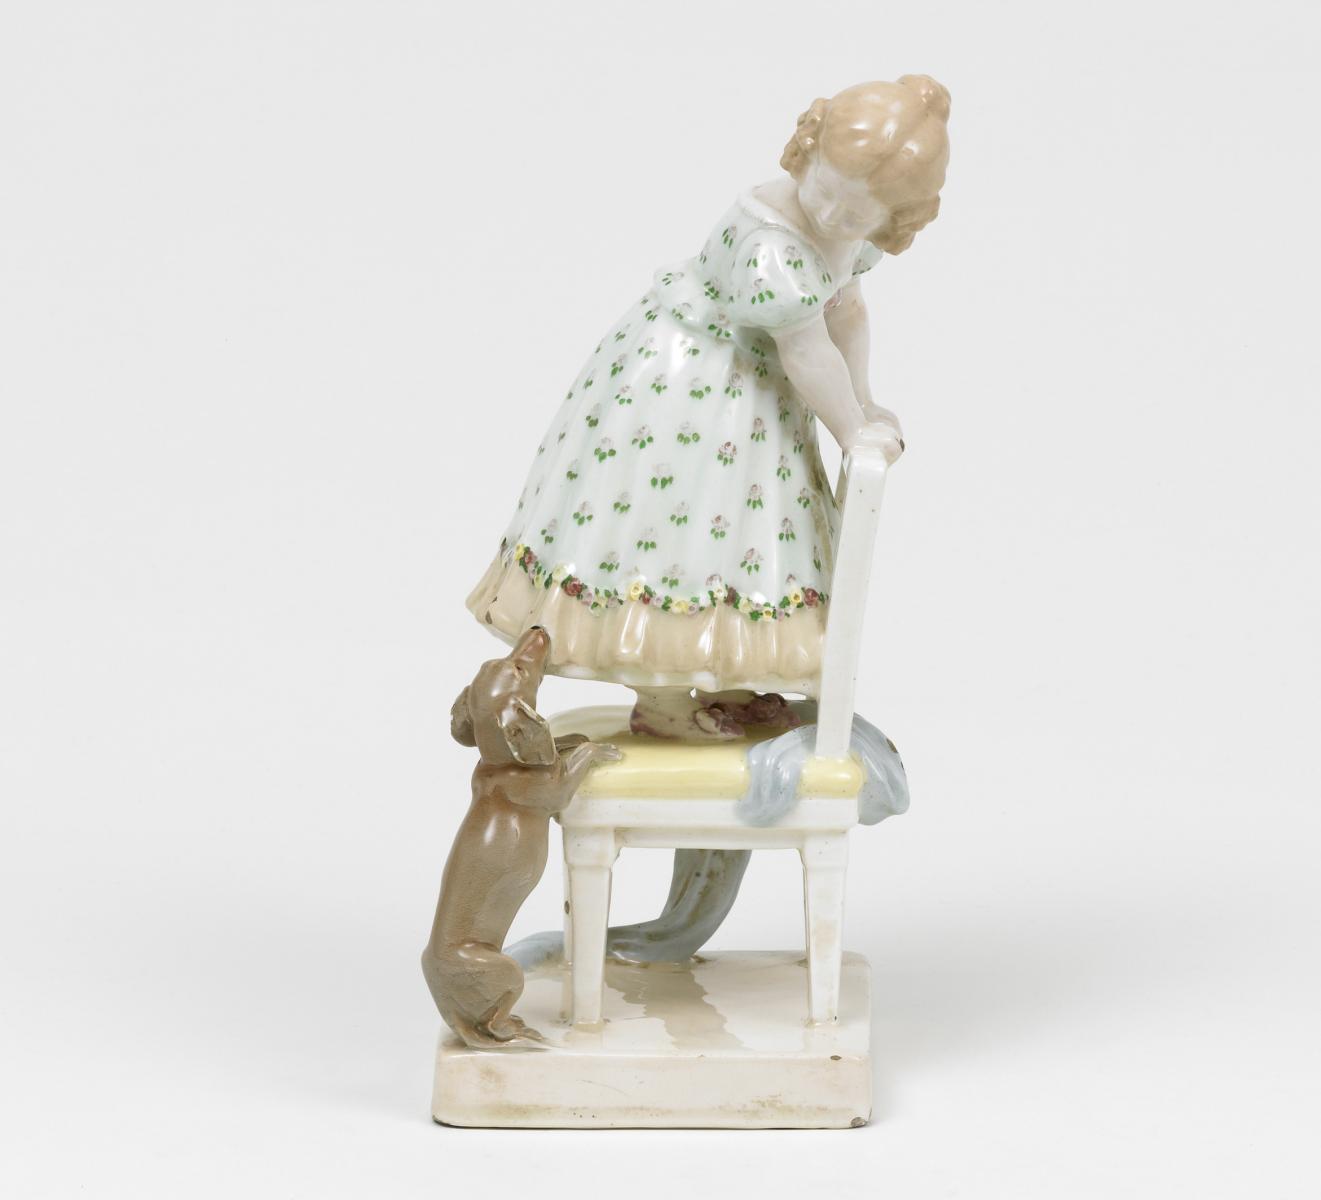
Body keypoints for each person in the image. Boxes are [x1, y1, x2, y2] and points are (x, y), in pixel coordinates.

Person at [468, 76, 950, 740]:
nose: (833, 216)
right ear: (806, 152)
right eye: (825, 191)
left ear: (893, 220)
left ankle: (730, 679)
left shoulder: (850, 237)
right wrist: (849, 430)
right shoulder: (770, 243)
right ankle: (661, 699)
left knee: (746, 537)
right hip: (690, 386)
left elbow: (845, 310)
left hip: (753, 397)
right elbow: (806, 349)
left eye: (855, 215)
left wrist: (864, 402)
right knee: (674, 530)